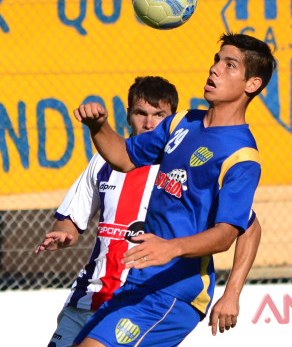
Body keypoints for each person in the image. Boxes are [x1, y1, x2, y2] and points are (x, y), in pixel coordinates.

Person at [71, 32, 275, 347]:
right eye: (217, 60)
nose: (215, 69)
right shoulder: (181, 123)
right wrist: (98, 125)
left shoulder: (241, 156)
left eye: (230, 65)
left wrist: (228, 292)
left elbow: (229, 233)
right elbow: (124, 157)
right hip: (138, 284)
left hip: (176, 292)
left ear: (252, 84)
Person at [36, 75, 261, 347]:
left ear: (170, 119)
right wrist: (64, 233)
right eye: (141, 113)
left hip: (148, 295)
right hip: (93, 295)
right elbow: (71, 219)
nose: (149, 123)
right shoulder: (105, 162)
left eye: (159, 115)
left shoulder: (177, 170)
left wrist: (232, 292)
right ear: (128, 115)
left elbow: (247, 226)